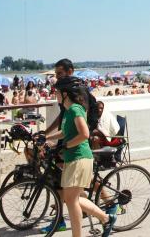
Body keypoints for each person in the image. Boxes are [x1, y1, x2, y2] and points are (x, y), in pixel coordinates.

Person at [45, 77, 117, 237]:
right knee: (73, 199)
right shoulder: (68, 111)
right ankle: (106, 218)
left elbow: (84, 134)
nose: (54, 94)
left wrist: (67, 145)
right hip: (73, 158)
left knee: (71, 201)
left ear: (65, 94)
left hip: (79, 157)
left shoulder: (75, 110)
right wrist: (47, 138)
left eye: (56, 92)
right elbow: (65, 132)